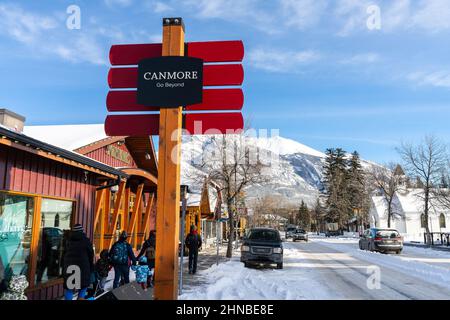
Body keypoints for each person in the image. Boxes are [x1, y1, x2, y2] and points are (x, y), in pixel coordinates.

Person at [62, 224, 94, 300]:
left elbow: (63, 254)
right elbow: (91, 255)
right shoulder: (86, 241)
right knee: (83, 288)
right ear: (82, 231)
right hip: (83, 268)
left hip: (70, 268)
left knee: (69, 288)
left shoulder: (68, 241)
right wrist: (91, 268)